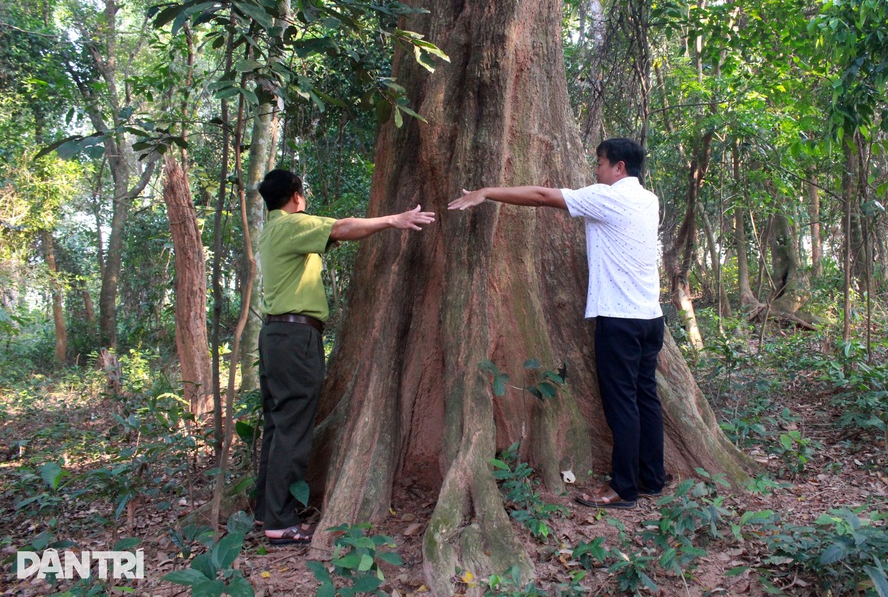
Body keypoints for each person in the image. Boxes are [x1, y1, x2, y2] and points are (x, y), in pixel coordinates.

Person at [448, 137, 667, 509]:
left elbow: (541, 196)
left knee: (623, 406)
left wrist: (487, 191)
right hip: (650, 319)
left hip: (620, 319)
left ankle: (624, 488)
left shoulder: (609, 196)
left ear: (619, 168)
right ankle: (652, 478)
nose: (595, 171)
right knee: (645, 398)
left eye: (600, 163)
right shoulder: (648, 199)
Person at [255, 169, 435, 544]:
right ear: (295, 196)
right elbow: (343, 227)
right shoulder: (292, 225)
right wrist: (394, 220)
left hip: (274, 336)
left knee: (277, 426)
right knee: (292, 428)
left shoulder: (272, 230)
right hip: (295, 338)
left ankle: (267, 511)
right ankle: (279, 521)